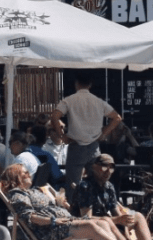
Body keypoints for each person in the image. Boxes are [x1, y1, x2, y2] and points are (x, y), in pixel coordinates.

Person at [0, 163, 149, 240]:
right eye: (25, 173)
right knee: (91, 226)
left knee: (104, 221)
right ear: (15, 178)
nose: (29, 175)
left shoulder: (35, 191)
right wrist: (53, 220)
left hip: (65, 223)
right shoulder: (17, 194)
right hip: (51, 231)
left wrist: (61, 204)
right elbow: (29, 217)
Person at [73, 154, 153, 240]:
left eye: (111, 168)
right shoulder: (85, 186)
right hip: (86, 231)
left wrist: (127, 237)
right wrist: (117, 220)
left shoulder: (109, 187)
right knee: (107, 221)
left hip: (108, 225)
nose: (108, 171)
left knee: (138, 216)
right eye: (104, 167)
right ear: (94, 167)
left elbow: (119, 216)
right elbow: (86, 218)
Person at [50, 71, 122, 201]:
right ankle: (98, 207)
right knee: (97, 181)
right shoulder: (99, 101)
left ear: (76, 84)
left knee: (73, 184)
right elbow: (117, 118)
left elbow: (54, 116)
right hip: (94, 146)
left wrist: (62, 136)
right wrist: (104, 133)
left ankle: (74, 210)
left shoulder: (69, 100)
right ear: (90, 85)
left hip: (76, 145)